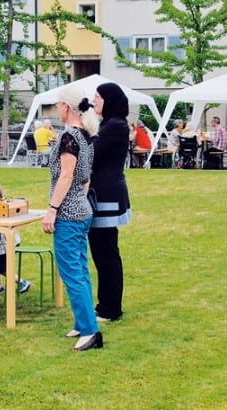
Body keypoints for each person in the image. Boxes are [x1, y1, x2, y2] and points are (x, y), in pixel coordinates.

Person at [42, 84, 102, 351]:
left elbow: (66, 176)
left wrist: (53, 209)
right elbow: (85, 179)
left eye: (57, 104)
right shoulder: (86, 136)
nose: (56, 108)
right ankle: (82, 321)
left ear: (66, 107)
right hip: (83, 210)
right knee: (80, 268)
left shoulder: (69, 137)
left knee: (72, 272)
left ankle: (90, 331)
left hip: (68, 214)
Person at [90, 82, 131, 323]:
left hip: (106, 196)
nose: (94, 100)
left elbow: (91, 153)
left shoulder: (115, 126)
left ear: (109, 100)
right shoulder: (109, 124)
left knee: (106, 254)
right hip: (103, 193)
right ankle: (106, 304)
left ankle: (110, 308)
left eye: (98, 97)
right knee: (103, 252)